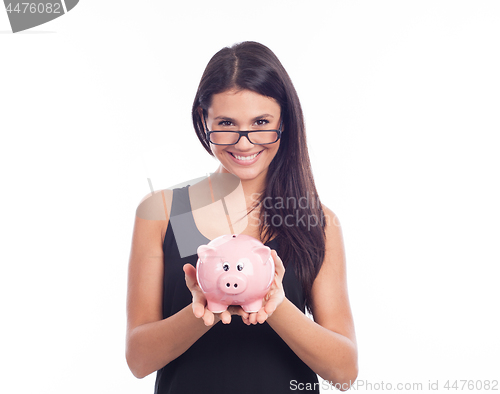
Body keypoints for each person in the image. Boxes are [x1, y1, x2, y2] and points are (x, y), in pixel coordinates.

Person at [126, 41, 358, 393]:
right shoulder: (163, 213)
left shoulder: (317, 222)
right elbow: (139, 360)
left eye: (261, 122)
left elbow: (344, 371)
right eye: (226, 123)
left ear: (284, 121)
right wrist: (202, 310)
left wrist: (275, 307)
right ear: (203, 121)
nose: (244, 142)